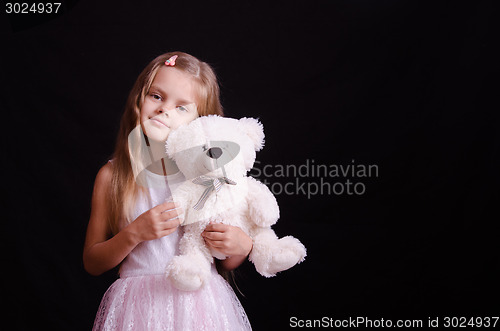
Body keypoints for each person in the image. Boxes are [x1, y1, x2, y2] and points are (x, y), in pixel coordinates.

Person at [84, 51, 253, 330]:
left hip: (201, 306)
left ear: (201, 121)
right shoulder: (112, 176)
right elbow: (92, 261)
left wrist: (242, 246)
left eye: (182, 107)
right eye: (157, 96)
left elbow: (227, 259)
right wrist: (134, 233)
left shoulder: (207, 174)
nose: (164, 110)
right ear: (139, 98)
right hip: (138, 308)